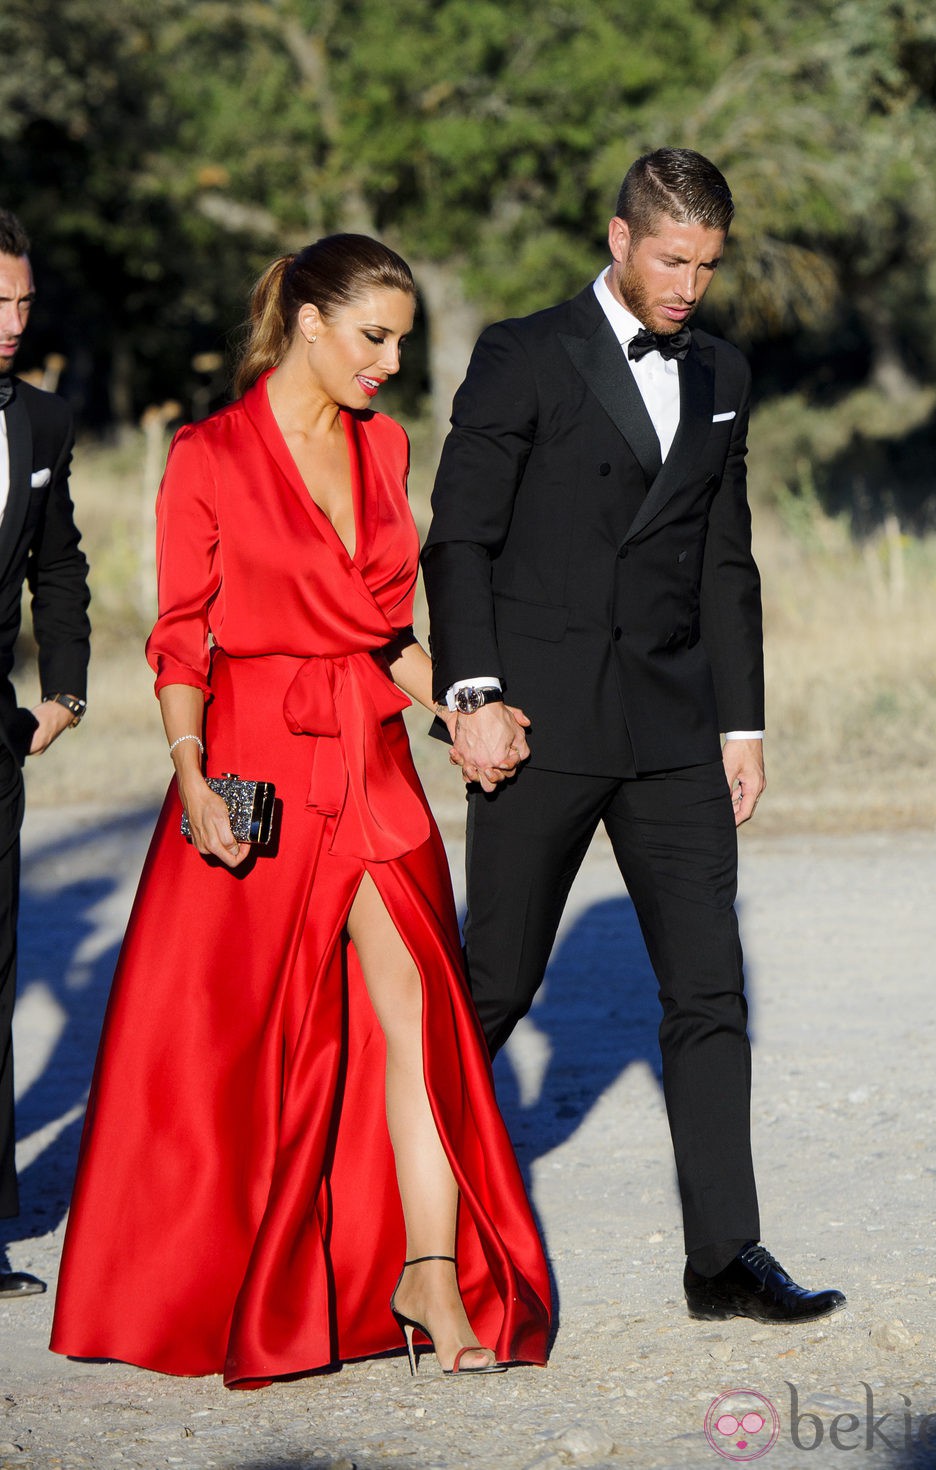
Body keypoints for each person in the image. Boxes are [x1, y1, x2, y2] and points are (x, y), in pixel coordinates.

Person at [50, 234, 550, 1386]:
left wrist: (466, 711)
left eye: (400, 344)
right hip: (254, 771)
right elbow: (182, 636)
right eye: (372, 338)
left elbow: (386, 640)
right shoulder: (207, 455)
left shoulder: (384, 452)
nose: (388, 364)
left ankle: (428, 1270)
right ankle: (216, 1287)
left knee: (418, 1020)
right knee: (236, 1048)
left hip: (372, 768)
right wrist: (189, 774)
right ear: (309, 322)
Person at [422, 150, 845, 1324]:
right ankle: (386, 1218)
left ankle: (725, 1258)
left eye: (706, 266)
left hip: (670, 727)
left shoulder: (721, 369)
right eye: (670, 259)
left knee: (708, 993)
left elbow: (724, 554)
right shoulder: (520, 351)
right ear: (617, 238)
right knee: (493, 985)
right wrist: (471, 695)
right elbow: (457, 540)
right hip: (537, 721)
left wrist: (740, 722)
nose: (688, 287)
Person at [0, 209, 90, 1300]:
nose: (14, 323)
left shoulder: (45, 422)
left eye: (23, 302)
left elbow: (58, 566)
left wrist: (61, 689)